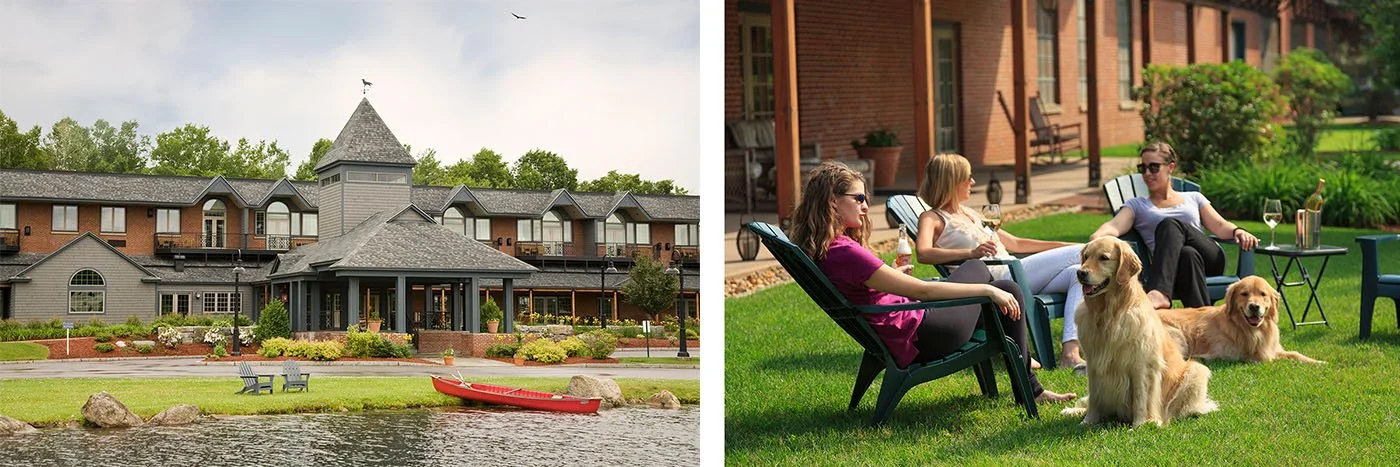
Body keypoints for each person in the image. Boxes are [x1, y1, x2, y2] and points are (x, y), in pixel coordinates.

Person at [789, 162, 1075, 403]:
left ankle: (1031, 388)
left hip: (909, 328)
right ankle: (1030, 388)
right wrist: (986, 289)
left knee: (1009, 289)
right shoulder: (846, 251)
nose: (866, 207)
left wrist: (891, 276)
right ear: (832, 202)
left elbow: (873, 290)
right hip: (926, 335)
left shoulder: (832, 249)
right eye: (859, 199)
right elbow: (923, 290)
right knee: (981, 271)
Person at [913, 154, 1087, 371]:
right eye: (968, 177)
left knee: (1078, 273)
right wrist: (972, 252)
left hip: (1017, 271)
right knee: (1085, 252)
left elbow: (1016, 243)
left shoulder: (970, 213)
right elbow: (923, 253)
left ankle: (1070, 354)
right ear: (952, 180)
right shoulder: (932, 218)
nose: (973, 182)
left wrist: (1062, 246)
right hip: (1000, 281)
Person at [1090, 142, 1259, 309]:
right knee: (1187, 254)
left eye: (1154, 167)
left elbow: (1220, 225)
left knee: (1170, 224)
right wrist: (1096, 239)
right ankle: (1204, 320)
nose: (1147, 173)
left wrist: (1238, 231)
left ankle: (1158, 292)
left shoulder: (1193, 197)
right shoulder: (1137, 205)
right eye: (1143, 168)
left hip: (1210, 260)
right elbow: (1113, 226)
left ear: (1170, 167)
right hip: (1177, 268)